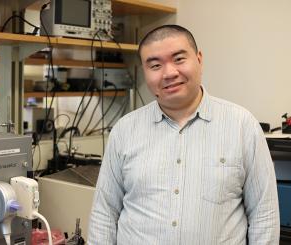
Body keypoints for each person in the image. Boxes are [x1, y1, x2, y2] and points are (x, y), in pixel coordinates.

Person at [88, 24, 280, 244]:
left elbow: (264, 215)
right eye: (156, 65)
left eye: (179, 59)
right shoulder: (124, 131)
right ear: (144, 72)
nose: (169, 73)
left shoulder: (242, 126)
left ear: (199, 59)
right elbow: (104, 213)